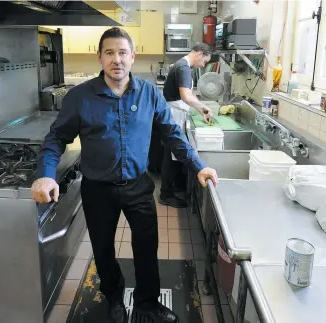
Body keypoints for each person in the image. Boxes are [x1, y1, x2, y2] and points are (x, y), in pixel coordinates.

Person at [31, 28, 218, 323]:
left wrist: (198, 165)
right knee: (103, 249)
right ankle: (114, 298)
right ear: (100, 57)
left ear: (133, 56)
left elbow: (172, 134)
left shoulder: (149, 94)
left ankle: (147, 303)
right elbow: (56, 138)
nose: (116, 59)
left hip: (138, 187)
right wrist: (46, 174)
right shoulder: (80, 97)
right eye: (109, 53)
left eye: (122, 52)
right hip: (97, 189)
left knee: (146, 247)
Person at [159, 43, 214, 208]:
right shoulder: (184, 68)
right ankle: (166, 194)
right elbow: (186, 97)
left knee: (173, 154)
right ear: (199, 54)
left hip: (174, 113)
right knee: (172, 154)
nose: (203, 65)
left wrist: (199, 110)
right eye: (205, 61)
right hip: (174, 115)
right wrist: (204, 108)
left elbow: (188, 95)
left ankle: (174, 188)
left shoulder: (181, 65)